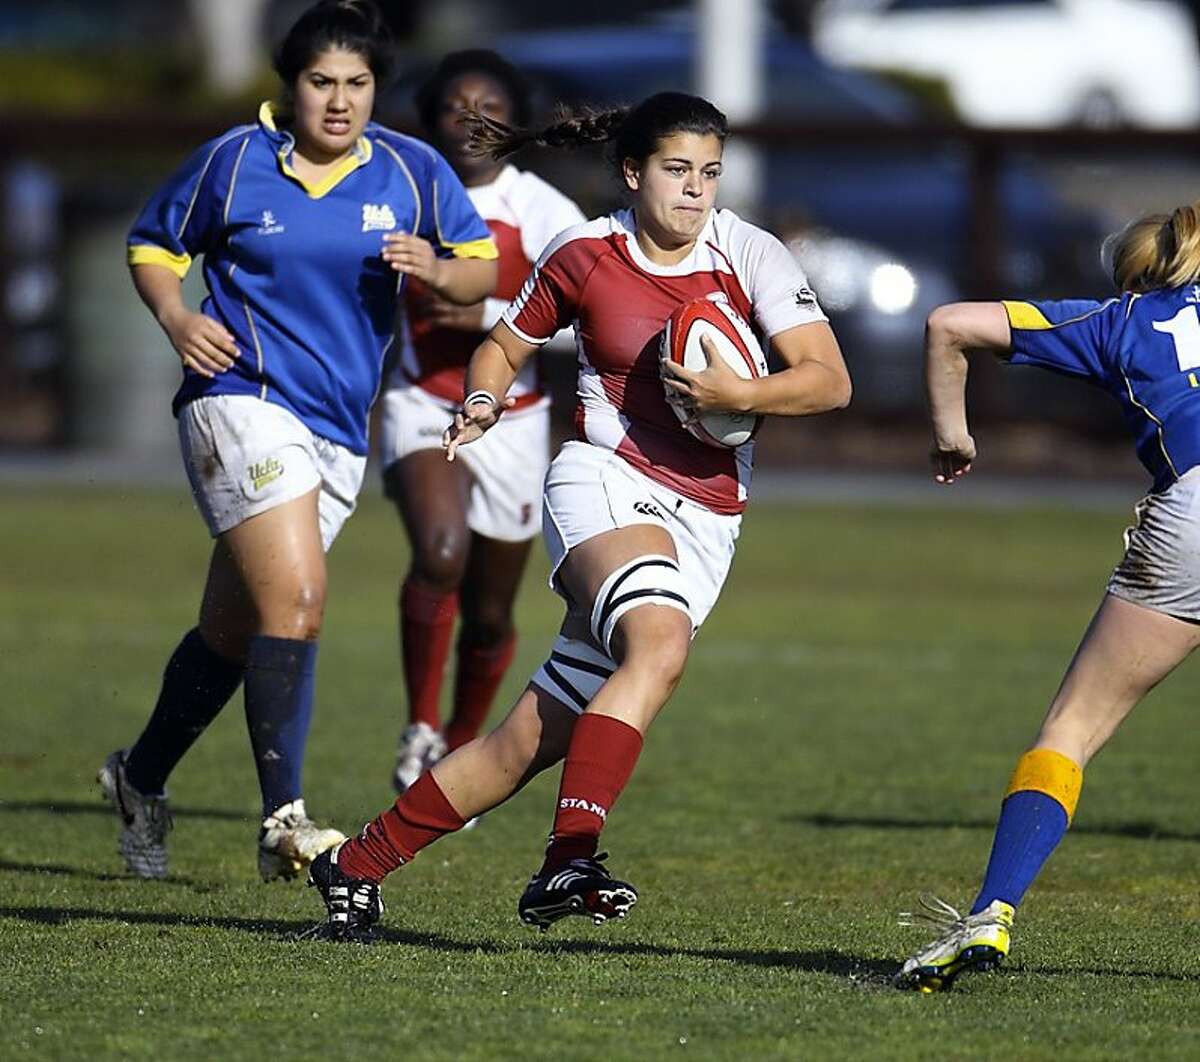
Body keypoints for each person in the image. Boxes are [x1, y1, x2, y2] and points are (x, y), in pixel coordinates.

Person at [304, 91, 852, 940]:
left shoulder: (751, 254)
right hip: (601, 480)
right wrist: (484, 398)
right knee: (658, 644)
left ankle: (356, 863)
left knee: (531, 737)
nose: (696, 191)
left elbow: (827, 378)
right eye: (676, 171)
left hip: (707, 519)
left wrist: (738, 394)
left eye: (709, 173)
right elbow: (504, 342)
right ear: (633, 172)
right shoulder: (586, 254)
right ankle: (569, 857)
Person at [99, 0, 497, 882]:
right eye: (322, 81)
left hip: (336, 428)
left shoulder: (410, 169)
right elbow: (154, 245)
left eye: (357, 84)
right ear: (291, 83)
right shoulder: (235, 163)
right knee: (301, 604)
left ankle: (138, 777)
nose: (340, 100)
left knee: (235, 632)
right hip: (236, 400)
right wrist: (174, 316)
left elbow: (482, 265)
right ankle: (286, 821)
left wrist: (436, 268)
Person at [896, 200, 1200, 990]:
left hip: (1194, 512)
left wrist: (951, 433)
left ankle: (991, 912)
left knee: (1071, 728)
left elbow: (948, 324)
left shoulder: (1120, 319)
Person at [378, 50, 585, 795]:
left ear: (515, 121)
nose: (473, 120)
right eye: (455, 107)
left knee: (491, 612)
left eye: (490, 106)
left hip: (515, 420)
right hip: (420, 403)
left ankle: (459, 752)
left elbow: (590, 320)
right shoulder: (403, 191)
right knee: (440, 552)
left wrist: (489, 314)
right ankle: (420, 728)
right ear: (430, 120)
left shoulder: (546, 212)